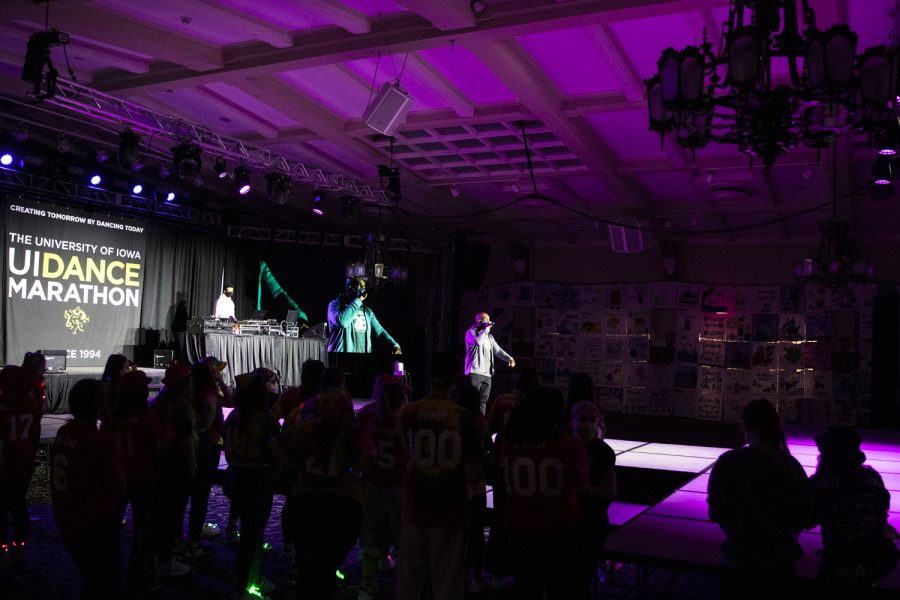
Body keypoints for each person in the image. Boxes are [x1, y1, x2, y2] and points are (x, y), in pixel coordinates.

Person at [270, 386, 374, 600]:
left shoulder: (306, 428)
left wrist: (296, 465)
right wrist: (353, 473)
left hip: (306, 499)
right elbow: (370, 455)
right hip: (343, 502)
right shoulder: (352, 431)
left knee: (309, 561)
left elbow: (275, 444)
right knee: (328, 561)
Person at [396, 351, 483, 600]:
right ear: (456, 380)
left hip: (415, 508)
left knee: (409, 583)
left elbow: (401, 457)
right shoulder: (463, 417)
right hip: (450, 511)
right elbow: (473, 472)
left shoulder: (409, 412)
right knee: (446, 584)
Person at [707, 399, 813, 600]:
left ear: (745, 425)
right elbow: (804, 516)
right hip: (780, 563)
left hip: (738, 561)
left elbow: (716, 512)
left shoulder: (728, 462)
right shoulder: (790, 465)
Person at [500, 386, 589, 600]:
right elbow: (581, 480)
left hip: (520, 529)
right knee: (562, 588)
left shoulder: (509, 444)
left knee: (527, 587)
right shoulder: (568, 445)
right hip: (560, 529)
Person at [51, 379, 126, 599]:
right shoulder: (101, 442)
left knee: (91, 578)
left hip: (66, 518)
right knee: (105, 581)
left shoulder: (64, 432)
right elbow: (120, 487)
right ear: (100, 405)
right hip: (93, 522)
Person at [809, 426, 899, 599]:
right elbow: (884, 505)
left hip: (840, 563)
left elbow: (809, 519)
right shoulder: (873, 477)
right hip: (877, 559)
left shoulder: (818, 483)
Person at [100, 369, 162, 593]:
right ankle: (141, 578)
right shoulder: (146, 418)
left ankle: (109, 575)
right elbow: (156, 449)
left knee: (110, 528)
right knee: (142, 529)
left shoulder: (110, 417)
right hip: (142, 478)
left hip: (117, 478)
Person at [223, 373, 280, 600]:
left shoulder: (234, 417)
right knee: (253, 535)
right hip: (256, 478)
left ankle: (251, 579)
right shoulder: (264, 418)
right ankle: (245, 585)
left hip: (235, 474)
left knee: (250, 533)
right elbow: (278, 448)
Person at [356, 375, 410, 600]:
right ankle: (404, 588)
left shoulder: (367, 413)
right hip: (398, 485)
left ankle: (367, 587)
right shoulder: (406, 417)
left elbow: (356, 442)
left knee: (371, 536)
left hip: (372, 482)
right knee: (403, 540)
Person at [150, 361, 195, 577]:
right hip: (174, 463)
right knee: (172, 513)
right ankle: (165, 561)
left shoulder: (158, 402)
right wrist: (192, 466)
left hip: (159, 462)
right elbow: (185, 440)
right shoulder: (180, 406)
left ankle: (158, 556)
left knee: (159, 512)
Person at [570, 401, 616, 597]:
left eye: (591, 420)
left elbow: (610, 491)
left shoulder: (603, 452)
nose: (587, 425)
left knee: (584, 576)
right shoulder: (565, 447)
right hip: (568, 521)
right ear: (572, 422)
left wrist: (586, 490)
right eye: (583, 419)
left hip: (592, 522)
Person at [0, 366, 42, 565]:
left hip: (6, 464)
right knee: (19, 505)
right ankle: (19, 544)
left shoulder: (3, 409)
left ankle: (3, 548)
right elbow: (34, 435)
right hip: (24, 463)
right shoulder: (30, 407)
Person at [327, 277, 401, 354]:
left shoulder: (367, 312)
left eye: (364, 287)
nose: (362, 290)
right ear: (349, 288)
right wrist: (358, 301)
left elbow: (380, 332)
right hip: (340, 359)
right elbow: (342, 322)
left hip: (363, 360)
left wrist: (394, 345)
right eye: (360, 286)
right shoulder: (334, 305)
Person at [464, 312, 515, 415]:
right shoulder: (470, 333)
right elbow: (478, 342)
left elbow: (498, 351)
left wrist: (509, 358)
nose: (489, 324)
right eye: (487, 321)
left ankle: (480, 424)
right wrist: (485, 330)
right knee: (471, 402)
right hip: (474, 373)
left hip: (487, 375)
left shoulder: (489, 337)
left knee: (483, 402)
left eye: (490, 322)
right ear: (479, 322)